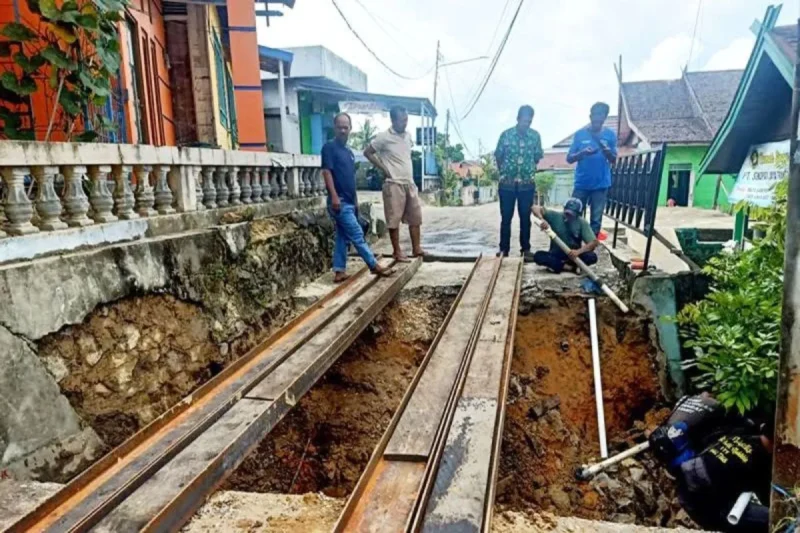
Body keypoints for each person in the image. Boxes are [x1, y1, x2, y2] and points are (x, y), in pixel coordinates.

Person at [648, 394, 773, 533]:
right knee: (775, 520)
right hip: (706, 505)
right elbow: (767, 493)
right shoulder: (753, 461)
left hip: (695, 483)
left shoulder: (740, 434)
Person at [321, 113, 393, 282]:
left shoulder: (349, 153)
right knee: (356, 233)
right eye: (340, 127)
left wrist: (355, 203)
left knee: (342, 236)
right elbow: (326, 172)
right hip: (338, 201)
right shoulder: (329, 148)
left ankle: (339, 271)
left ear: (351, 129)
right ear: (334, 127)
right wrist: (334, 197)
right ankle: (373, 265)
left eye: (346, 127)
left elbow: (350, 179)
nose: (343, 130)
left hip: (349, 202)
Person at [364, 106, 425, 262]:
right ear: (393, 120)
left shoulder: (408, 136)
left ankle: (416, 248)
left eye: (406, 120)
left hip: (409, 183)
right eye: (402, 120)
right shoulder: (383, 137)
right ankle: (397, 252)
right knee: (394, 219)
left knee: (415, 218)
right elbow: (368, 152)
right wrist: (383, 168)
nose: (405, 123)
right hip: (393, 183)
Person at [494, 105, 544, 257]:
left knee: (525, 218)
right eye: (524, 121)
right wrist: (505, 172)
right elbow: (498, 156)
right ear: (518, 119)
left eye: (529, 121)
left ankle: (526, 249)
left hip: (526, 185)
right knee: (506, 218)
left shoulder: (535, 136)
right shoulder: (506, 135)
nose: (526, 124)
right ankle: (504, 249)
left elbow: (537, 157)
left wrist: (526, 172)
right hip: (507, 185)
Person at [567, 102, 617, 236]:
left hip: (601, 184)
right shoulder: (580, 134)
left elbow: (613, 159)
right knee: (573, 214)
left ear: (605, 118)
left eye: (600, 117)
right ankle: (574, 245)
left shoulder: (610, 135)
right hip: (581, 184)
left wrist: (607, 152)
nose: (597, 120)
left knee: (596, 220)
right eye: (595, 116)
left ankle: (590, 248)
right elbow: (569, 158)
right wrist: (582, 153)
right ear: (590, 116)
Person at [531, 198, 599, 274]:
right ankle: (570, 267)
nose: (567, 217)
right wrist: (542, 219)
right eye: (566, 213)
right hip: (556, 254)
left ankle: (565, 265)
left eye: (571, 215)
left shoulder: (582, 223)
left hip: (574, 256)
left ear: (577, 215)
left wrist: (578, 252)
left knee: (592, 257)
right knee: (538, 256)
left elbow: (594, 242)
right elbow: (535, 208)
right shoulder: (555, 216)